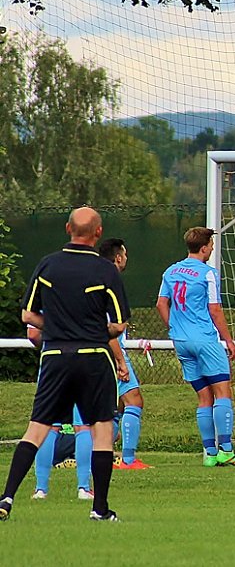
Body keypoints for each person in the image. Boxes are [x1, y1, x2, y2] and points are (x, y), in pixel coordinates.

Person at [1, 207, 129, 522]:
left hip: (55, 355)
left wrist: (58, 326)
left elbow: (28, 316)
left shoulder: (48, 265)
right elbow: (119, 324)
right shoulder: (105, 271)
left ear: (67, 228)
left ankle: (6, 498)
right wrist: (91, 330)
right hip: (94, 358)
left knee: (37, 429)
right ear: (98, 233)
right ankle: (99, 508)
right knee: (100, 430)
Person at [156, 227, 235, 467]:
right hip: (205, 340)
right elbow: (215, 310)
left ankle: (209, 453)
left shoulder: (171, 270)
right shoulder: (208, 274)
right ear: (204, 247)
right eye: (211, 246)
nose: (212, 249)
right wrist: (228, 340)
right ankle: (226, 449)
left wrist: (174, 327)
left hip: (182, 342)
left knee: (203, 398)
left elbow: (161, 303)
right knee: (222, 393)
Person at [27, 326, 96, 501]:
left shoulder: (45, 297)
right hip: (83, 357)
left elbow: (33, 333)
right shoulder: (88, 297)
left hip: (53, 358)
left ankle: (41, 489)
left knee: (48, 425)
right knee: (83, 425)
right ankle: (84, 488)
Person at [98, 237, 150, 470]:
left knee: (116, 407)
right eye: (125, 255)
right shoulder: (110, 282)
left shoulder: (93, 276)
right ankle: (128, 459)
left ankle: (104, 453)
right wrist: (121, 361)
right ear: (118, 257)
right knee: (134, 401)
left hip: (93, 352)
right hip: (110, 352)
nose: (126, 259)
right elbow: (109, 328)